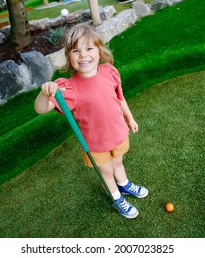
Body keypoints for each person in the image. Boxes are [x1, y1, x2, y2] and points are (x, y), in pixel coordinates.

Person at [34, 23, 149, 219]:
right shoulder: (67, 88)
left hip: (118, 132)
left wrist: (129, 117)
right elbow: (41, 109)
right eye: (76, 51)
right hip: (95, 144)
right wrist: (45, 93)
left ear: (99, 50)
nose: (83, 55)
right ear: (69, 57)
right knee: (106, 171)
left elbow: (119, 98)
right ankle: (116, 198)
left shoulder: (110, 71)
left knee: (118, 163)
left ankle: (124, 185)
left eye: (89, 48)